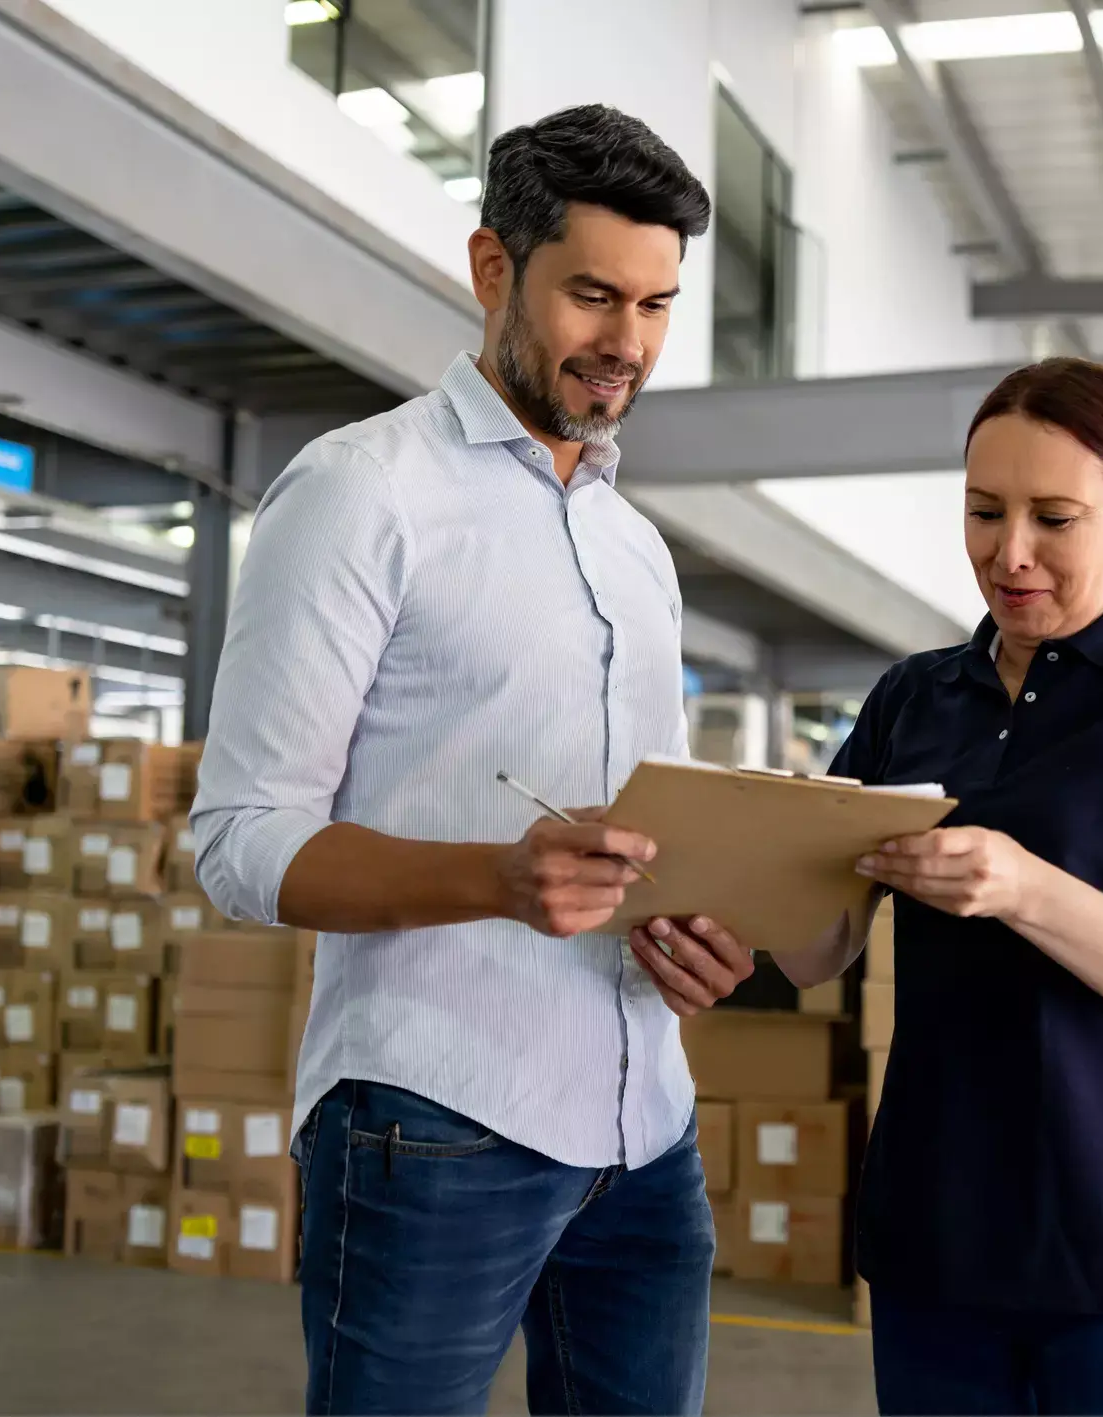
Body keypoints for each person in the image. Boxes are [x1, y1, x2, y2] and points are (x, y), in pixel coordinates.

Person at [191, 105, 756, 1417]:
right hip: (434, 1120)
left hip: (643, 1126)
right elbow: (239, 844)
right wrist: (498, 879)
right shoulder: (361, 494)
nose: (628, 344)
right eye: (595, 296)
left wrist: (700, 926)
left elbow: (650, 831)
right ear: (494, 270)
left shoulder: (635, 547)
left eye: (659, 306)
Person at [774, 358, 1103, 1417]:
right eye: (983, 511)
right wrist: (733, 867)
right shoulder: (912, 698)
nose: (1007, 553)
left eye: (1052, 517)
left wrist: (1022, 887)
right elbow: (811, 948)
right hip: (940, 1235)